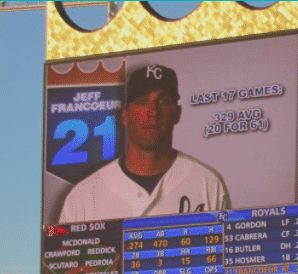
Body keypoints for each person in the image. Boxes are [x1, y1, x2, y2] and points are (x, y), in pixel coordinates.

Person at [59, 64, 230, 223]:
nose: (153, 111)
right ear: (125, 115)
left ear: (177, 113)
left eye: (164, 101)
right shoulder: (82, 198)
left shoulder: (207, 183)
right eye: (142, 101)